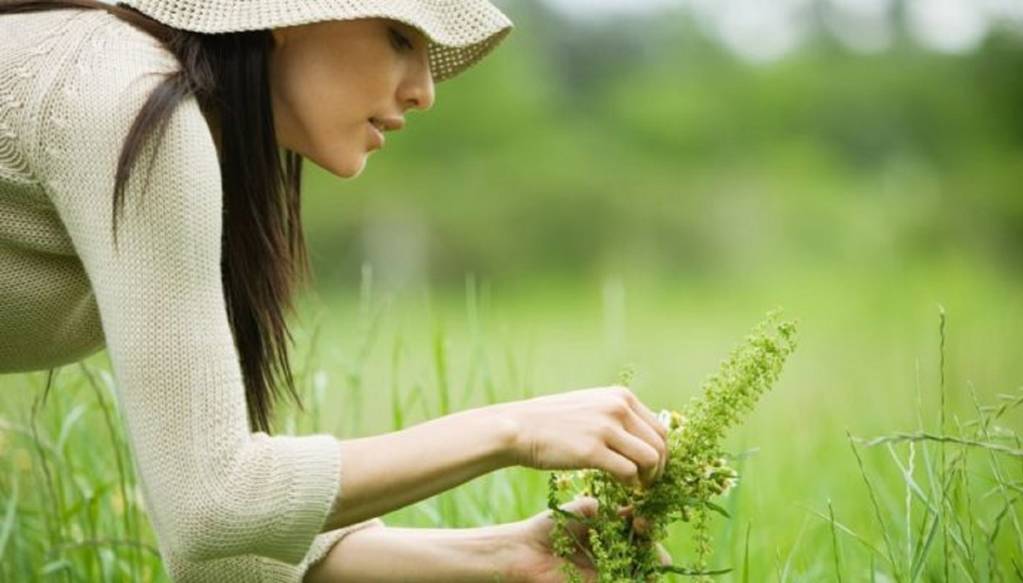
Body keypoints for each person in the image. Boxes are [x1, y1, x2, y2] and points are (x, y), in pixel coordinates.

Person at [0, 0, 671, 580]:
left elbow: (220, 555)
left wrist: (508, 556)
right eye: (400, 38)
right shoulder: (129, 101)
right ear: (288, 16)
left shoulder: (190, 130)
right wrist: (513, 429)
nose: (424, 91)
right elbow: (214, 506)